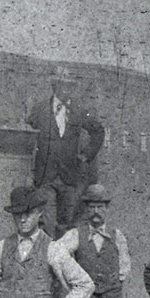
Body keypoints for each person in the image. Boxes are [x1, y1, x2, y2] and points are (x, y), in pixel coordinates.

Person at [26, 79, 105, 234]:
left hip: (69, 177)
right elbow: (28, 130)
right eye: (63, 85)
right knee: (47, 222)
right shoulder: (40, 109)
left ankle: (61, 248)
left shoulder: (78, 110)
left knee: (66, 223)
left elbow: (98, 131)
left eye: (70, 86)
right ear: (54, 87)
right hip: (45, 176)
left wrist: (85, 156)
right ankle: (48, 248)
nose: (67, 90)